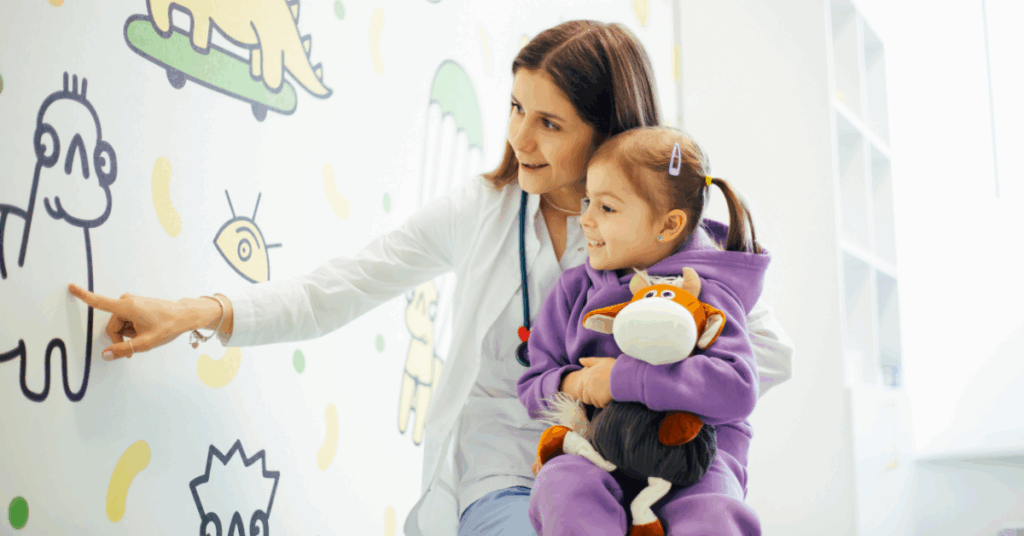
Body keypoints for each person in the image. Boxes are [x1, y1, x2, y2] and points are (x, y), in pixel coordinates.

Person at [68, 20, 793, 536]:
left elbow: (768, 354)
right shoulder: (483, 210)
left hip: (637, 470)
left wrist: (633, 374)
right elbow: (344, 285)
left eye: (550, 123)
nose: (519, 137)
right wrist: (199, 311)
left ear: (606, 133)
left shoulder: (666, 235)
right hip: (506, 473)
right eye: (516, 108)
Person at [519, 126, 768, 535]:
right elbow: (533, 383)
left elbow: (737, 388)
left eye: (607, 208)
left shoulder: (708, 292)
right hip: (599, 448)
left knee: (713, 514)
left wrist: (622, 380)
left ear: (668, 225)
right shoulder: (573, 291)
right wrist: (578, 383)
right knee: (562, 486)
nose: (585, 219)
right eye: (588, 202)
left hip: (695, 457)